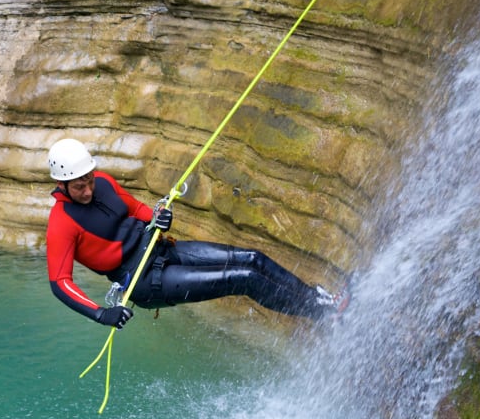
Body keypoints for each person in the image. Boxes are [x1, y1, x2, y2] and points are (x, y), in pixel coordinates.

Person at [46, 138, 348, 329]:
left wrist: (157, 216)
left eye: (88, 181)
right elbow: (60, 283)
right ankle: (323, 314)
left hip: (161, 250)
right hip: (146, 282)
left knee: (252, 259)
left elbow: (135, 208)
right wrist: (101, 314)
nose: (87, 190)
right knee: (242, 278)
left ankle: (320, 299)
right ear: (62, 185)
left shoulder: (104, 181)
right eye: (79, 186)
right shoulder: (61, 223)